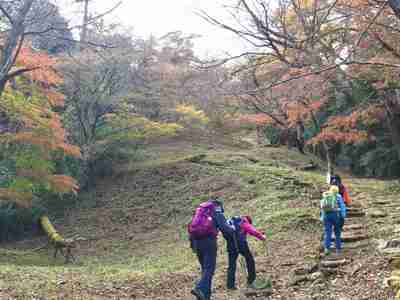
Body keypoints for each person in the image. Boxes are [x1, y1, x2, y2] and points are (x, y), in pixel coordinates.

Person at [188, 198, 233, 300]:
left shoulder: (199, 212)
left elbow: (191, 229)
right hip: (209, 243)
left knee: (205, 270)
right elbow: (225, 229)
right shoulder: (216, 211)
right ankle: (199, 288)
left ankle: (205, 296)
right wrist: (232, 229)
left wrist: (193, 246)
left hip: (197, 243)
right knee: (209, 269)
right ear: (218, 206)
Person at [223, 215, 266, 290]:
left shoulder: (232, 220)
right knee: (250, 260)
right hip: (241, 244)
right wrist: (262, 237)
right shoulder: (243, 221)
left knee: (232, 264)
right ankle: (251, 280)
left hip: (230, 244)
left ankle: (230, 285)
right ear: (249, 221)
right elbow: (252, 230)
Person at [321, 185, 347, 255]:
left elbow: (323, 208)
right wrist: (343, 215)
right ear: (337, 191)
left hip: (326, 215)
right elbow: (342, 206)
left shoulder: (326, 195)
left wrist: (322, 217)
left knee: (327, 232)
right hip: (336, 215)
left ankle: (326, 248)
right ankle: (338, 248)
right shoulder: (338, 196)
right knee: (337, 232)